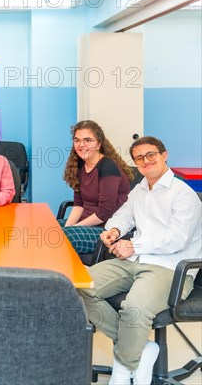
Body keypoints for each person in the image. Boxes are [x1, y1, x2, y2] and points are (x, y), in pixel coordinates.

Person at [79, 136, 201, 385]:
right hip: (135, 259)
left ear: (164, 155)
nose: (145, 161)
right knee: (80, 286)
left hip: (170, 267)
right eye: (139, 158)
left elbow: (176, 239)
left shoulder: (183, 194)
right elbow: (124, 215)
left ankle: (124, 369)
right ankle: (140, 349)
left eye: (151, 155)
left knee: (134, 308)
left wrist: (133, 244)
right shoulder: (141, 189)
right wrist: (114, 230)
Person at [60, 120, 133, 254]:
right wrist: (68, 226)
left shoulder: (107, 166)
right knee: (47, 229)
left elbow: (105, 212)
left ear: (99, 144)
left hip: (105, 229)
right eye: (77, 140)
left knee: (60, 238)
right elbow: (78, 205)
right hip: (86, 223)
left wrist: (73, 229)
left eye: (88, 140)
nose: (81, 145)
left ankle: (61, 275)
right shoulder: (80, 165)